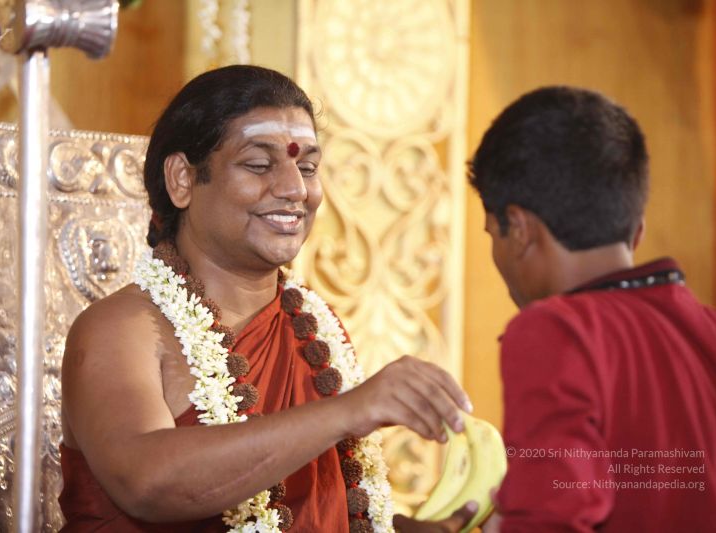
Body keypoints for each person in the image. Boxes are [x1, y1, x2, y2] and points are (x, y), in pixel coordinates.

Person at [59, 65, 476, 532]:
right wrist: (350, 410)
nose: (295, 189)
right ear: (182, 179)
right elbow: (146, 483)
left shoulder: (313, 328)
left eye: (308, 167)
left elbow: (307, 516)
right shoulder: (120, 329)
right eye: (258, 165)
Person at [468, 86, 716, 532]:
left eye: (492, 233)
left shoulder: (554, 329)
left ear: (519, 228)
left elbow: (549, 523)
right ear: (637, 230)